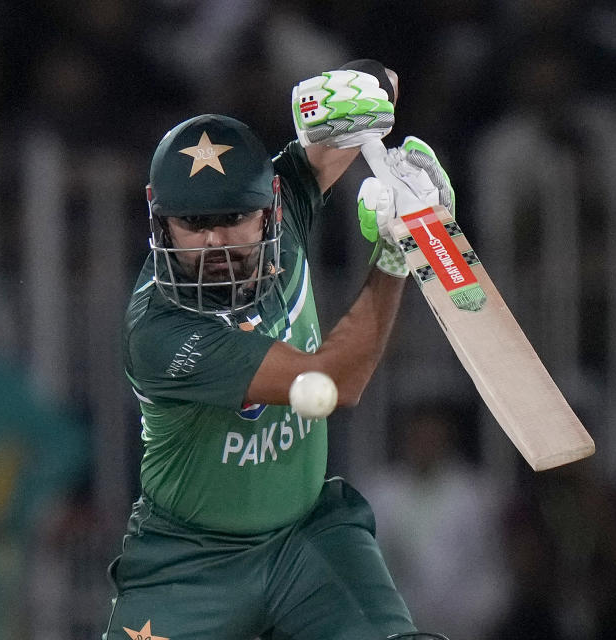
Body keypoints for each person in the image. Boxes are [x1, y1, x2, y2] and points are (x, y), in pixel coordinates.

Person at [101, 59, 455, 640]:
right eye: (192, 224)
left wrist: (345, 97)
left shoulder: (287, 200)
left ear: (271, 204)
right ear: (157, 215)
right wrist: (395, 254)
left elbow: (382, 84)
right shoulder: (159, 331)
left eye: (233, 219)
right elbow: (334, 383)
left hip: (307, 541)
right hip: (190, 563)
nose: (214, 243)